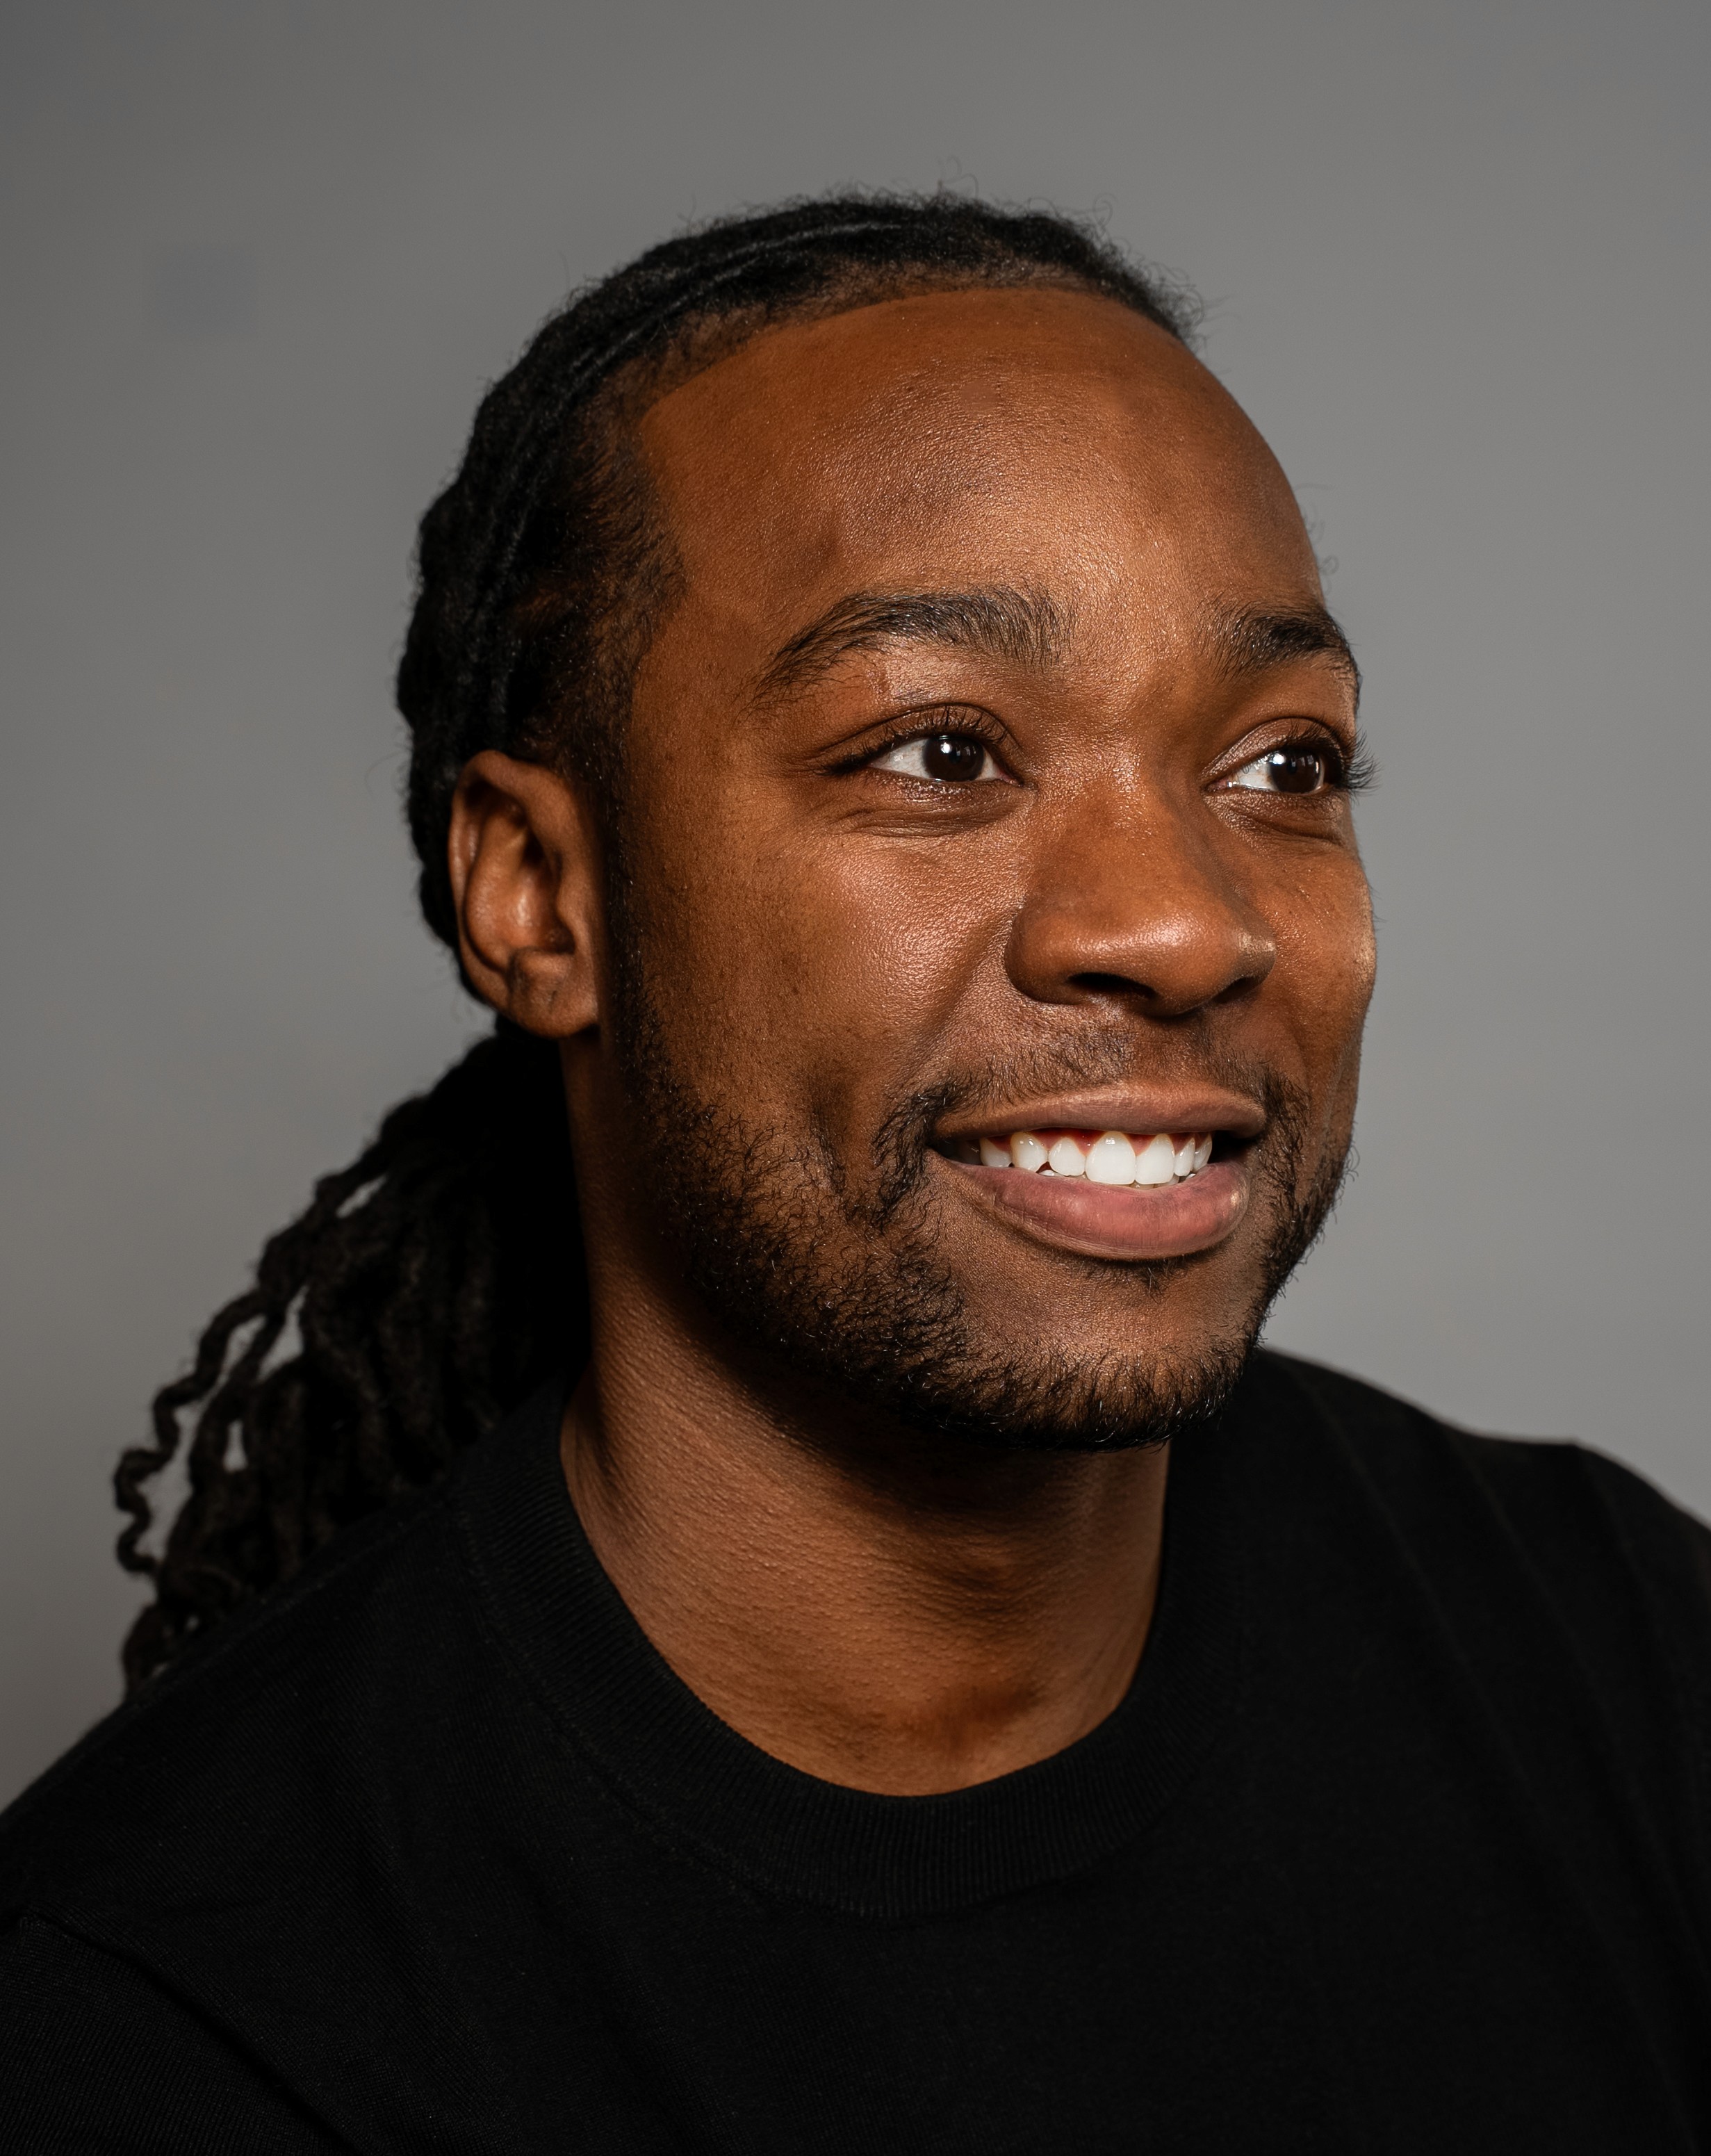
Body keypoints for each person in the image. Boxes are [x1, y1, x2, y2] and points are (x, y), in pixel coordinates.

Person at [2, 192, 1707, 2153]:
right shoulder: (162, 2017)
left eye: (1283, 768)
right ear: (539, 896)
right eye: (940, 755)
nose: (1181, 927)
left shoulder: (1621, 1656)